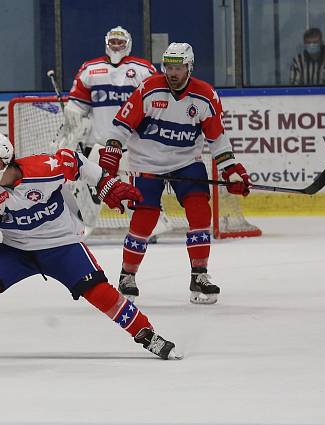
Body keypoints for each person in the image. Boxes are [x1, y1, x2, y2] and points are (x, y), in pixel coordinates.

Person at [0, 132, 181, 361]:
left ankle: (146, 333)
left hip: (62, 245)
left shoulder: (45, 168)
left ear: (0, 163)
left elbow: (76, 160)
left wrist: (107, 185)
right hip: (15, 250)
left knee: (100, 292)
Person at [98, 42, 251, 304]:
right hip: (146, 162)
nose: (173, 72)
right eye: (169, 66)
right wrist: (112, 153)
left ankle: (199, 275)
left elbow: (217, 140)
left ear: (189, 67)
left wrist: (231, 170)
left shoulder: (205, 96)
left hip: (186, 161)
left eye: (178, 67)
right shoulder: (148, 88)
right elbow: (121, 126)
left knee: (200, 210)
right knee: (146, 217)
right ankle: (127, 275)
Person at [61, 26, 174, 236]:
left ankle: (147, 228)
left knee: (137, 190)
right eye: (112, 41)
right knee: (88, 191)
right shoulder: (90, 69)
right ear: (106, 43)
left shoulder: (143, 69)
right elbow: (76, 108)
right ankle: (79, 229)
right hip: (99, 145)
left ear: (128, 44)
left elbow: (159, 103)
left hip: (133, 145)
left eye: (120, 42)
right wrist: (70, 132)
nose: (116, 45)